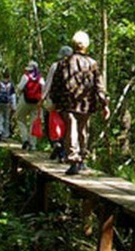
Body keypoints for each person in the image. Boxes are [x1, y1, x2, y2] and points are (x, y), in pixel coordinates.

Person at [49, 31, 110, 175]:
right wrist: (104, 104)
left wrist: (55, 102)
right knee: (83, 131)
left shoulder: (64, 63)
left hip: (68, 103)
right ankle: (81, 158)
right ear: (86, 46)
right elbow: (99, 86)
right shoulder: (92, 64)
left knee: (72, 130)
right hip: (86, 104)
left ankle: (74, 160)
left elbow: (56, 85)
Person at [43, 45, 73, 162]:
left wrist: (43, 98)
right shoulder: (74, 66)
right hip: (69, 102)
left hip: (55, 100)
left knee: (51, 124)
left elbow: (49, 83)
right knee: (66, 127)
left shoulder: (55, 66)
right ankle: (64, 153)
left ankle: (56, 145)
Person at [15, 60, 45, 151]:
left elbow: (20, 88)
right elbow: (44, 89)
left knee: (19, 118)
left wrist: (18, 94)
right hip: (36, 102)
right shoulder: (40, 78)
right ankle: (33, 145)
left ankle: (25, 139)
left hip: (25, 101)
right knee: (34, 122)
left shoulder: (25, 76)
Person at [0, 69, 16, 141]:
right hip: (7, 104)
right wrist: (14, 106)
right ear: (9, 77)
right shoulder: (11, 85)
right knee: (6, 118)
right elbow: (13, 96)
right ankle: (6, 134)